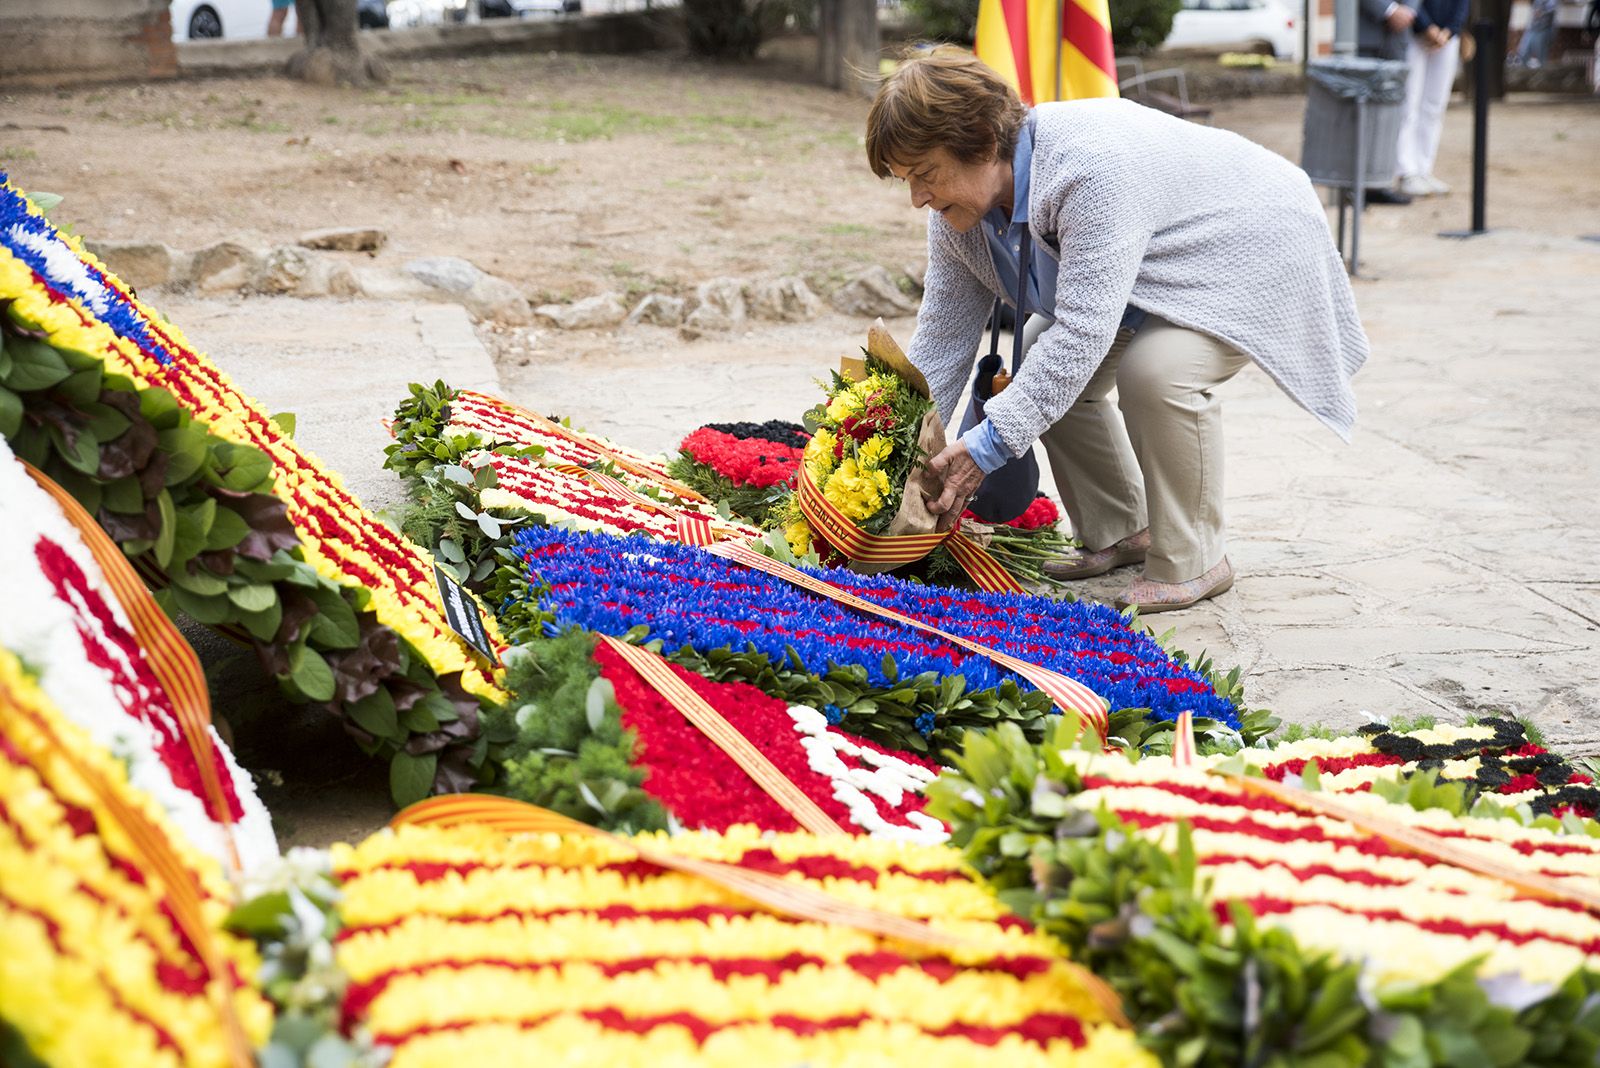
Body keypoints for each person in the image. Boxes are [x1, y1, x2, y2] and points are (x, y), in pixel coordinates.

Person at [865, 51, 1369, 613]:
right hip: (1147, 271)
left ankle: (1196, 558)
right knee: (1036, 356)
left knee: (1157, 372)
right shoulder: (958, 218)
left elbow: (1082, 333)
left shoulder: (1089, 168)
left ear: (981, 140)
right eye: (908, 181)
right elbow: (940, 342)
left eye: (926, 175)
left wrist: (983, 447)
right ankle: (1123, 529)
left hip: (1248, 246)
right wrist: (888, 440)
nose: (918, 199)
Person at [1397, 0, 1470, 196]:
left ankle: (1424, 168)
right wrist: (1425, 26)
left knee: (1434, 105)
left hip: (1447, 36)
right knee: (1409, 102)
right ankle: (1406, 171)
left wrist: (1450, 30)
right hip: (1415, 31)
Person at [1360, 0, 1421, 204]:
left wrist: (1408, 11)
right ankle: (1359, 183)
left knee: (1392, 114)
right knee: (1362, 114)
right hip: (1364, 31)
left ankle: (1380, 180)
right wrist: (1389, 9)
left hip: (1397, 37)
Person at [1514, 0, 1559, 68]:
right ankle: (1525, 73)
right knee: (1523, 53)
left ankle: (1542, 74)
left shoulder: (1552, 1)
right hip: (1531, 29)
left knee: (1541, 56)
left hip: (1543, 30)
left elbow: (1551, 10)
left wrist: (1541, 12)